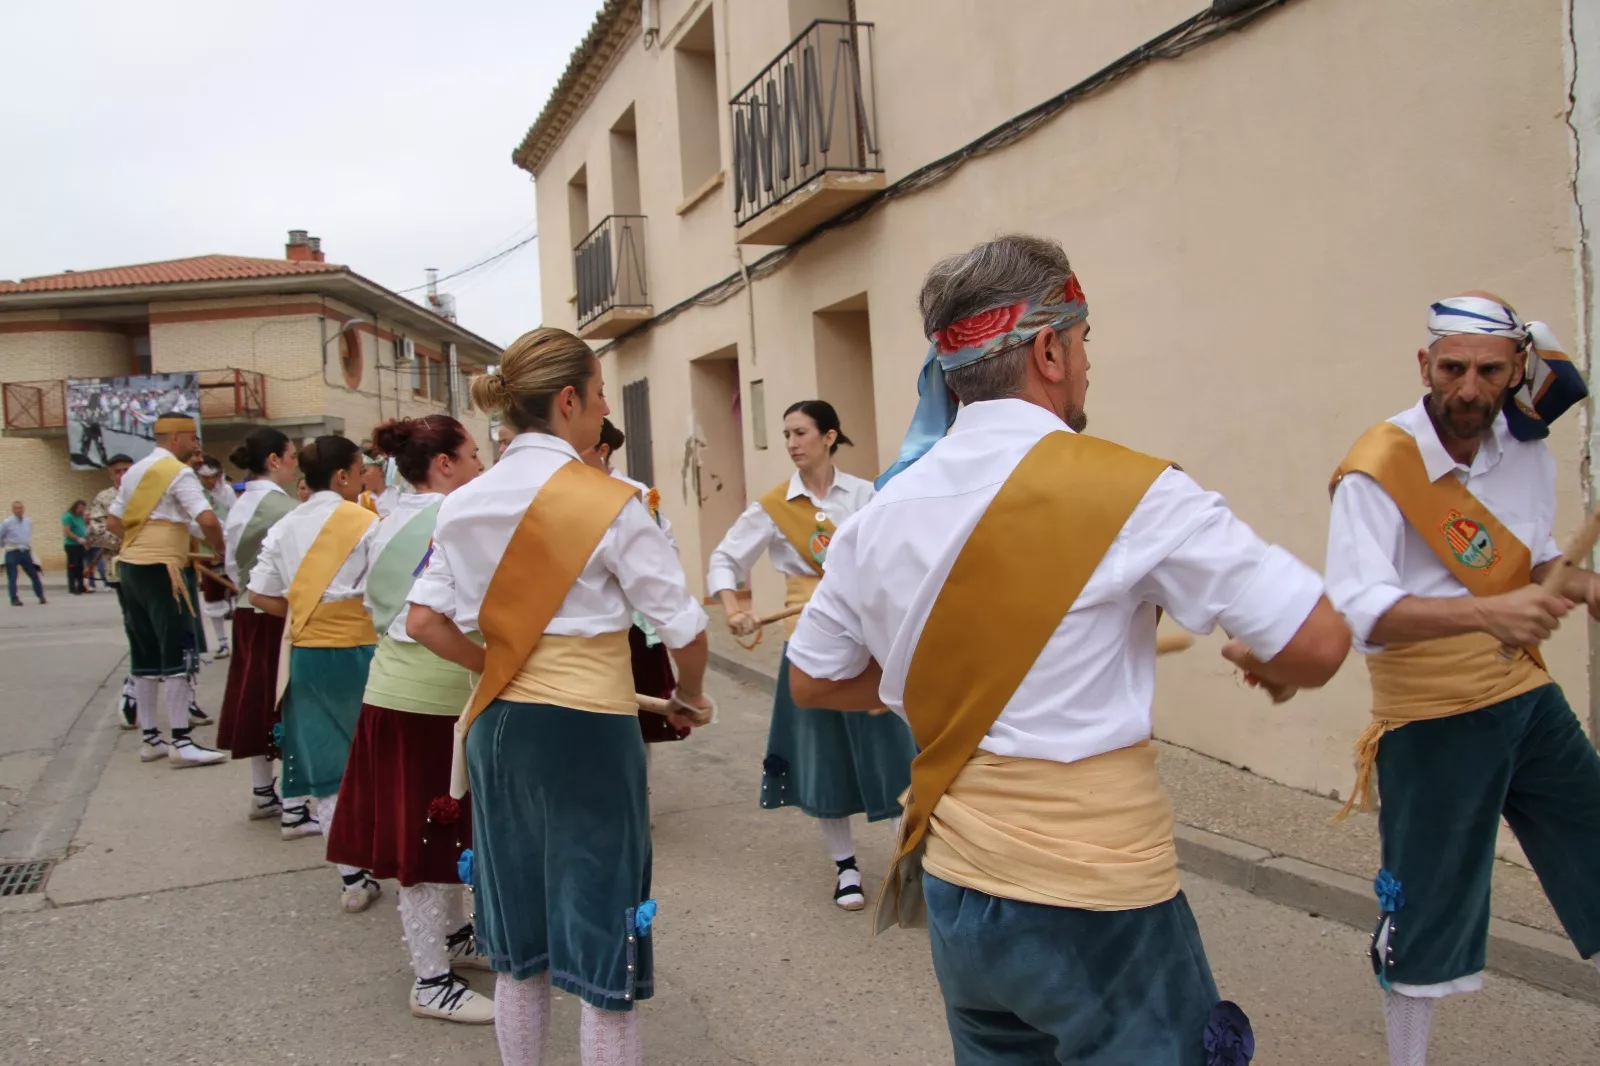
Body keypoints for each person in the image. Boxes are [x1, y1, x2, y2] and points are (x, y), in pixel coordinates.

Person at [786, 235, 1351, 1065]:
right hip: (1099, 901)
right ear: (1049, 349)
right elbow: (1318, 640)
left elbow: (811, 679)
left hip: (960, 893)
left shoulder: (879, 519)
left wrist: (936, 686)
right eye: (1084, 343)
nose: (1087, 364)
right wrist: (1278, 667)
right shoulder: (1132, 490)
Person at [405, 327, 715, 1066]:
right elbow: (684, 630)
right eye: (602, 393)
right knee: (604, 952)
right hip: (587, 734)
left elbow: (423, 620)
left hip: (499, 727)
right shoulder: (614, 502)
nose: (604, 406)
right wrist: (690, 699)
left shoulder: (462, 504)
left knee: (519, 946)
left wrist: (500, 666)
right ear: (570, 399)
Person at [1324, 292, 1600, 1066]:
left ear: (1515, 370)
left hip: (1522, 693)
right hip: (1433, 714)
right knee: (1428, 918)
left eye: (1487, 371)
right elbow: (1361, 609)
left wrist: (1578, 585)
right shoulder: (1379, 468)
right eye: (1452, 369)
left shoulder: (1525, 450)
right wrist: (1489, 616)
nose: (1469, 389)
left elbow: (1537, 559)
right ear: (1425, 366)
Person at [707, 399, 915, 912]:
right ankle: (845, 868)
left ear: (829, 436)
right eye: (786, 435)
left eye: (801, 432)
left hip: (869, 643)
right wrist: (734, 607)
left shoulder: (868, 495)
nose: (792, 443)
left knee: (893, 753)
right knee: (824, 760)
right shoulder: (775, 507)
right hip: (809, 645)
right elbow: (726, 557)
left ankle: (905, 863)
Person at [326, 415, 494, 1024]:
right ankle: (430, 980)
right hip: (430, 697)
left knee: (440, 830)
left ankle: (454, 942)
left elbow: (363, 601)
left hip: (394, 690)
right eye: (474, 454)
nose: (482, 466)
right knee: (424, 838)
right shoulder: (457, 517)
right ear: (444, 464)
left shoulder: (382, 520)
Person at [247, 435, 383, 913]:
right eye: (360, 468)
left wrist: (306, 610)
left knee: (328, 766)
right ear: (342, 476)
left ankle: (352, 877)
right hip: (361, 651)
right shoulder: (366, 522)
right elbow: (387, 590)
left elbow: (258, 594)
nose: (365, 475)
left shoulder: (285, 526)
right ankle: (385, 853)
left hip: (305, 651)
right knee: (376, 756)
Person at [105, 414, 227, 767]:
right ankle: (180, 740)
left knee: (143, 653)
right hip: (162, 571)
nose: (197, 445)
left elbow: (115, 523)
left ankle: (150, 739)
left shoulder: (136, 471)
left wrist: (147, 542)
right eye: (192, 438)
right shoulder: (177, 472)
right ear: (175, 438)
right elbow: (206, 519)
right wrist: (218, 549)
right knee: (175, 649)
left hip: (130, 568)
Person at [215, 428, 315, 836]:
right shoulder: (285, 510)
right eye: (292, 457)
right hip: (276, 612)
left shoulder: (238, 505)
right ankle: (294, 807)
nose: (295, 465)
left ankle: (263, 792)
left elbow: (228, 567)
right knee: (287, 701)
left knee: (258, 700)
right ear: (274, 460)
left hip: (245, 611)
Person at [579, 419, 697, 751]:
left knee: (635, 719)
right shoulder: (565, 489)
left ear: (603, 451)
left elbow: (664, 552)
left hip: (631, 620)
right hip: (587, 623)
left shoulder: (637, 494)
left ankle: (638, 791)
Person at [192, 455, 238, 658]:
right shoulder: (195, 495)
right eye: (204, 477)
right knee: (213, 598)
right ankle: (222, 643)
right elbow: (193, 524)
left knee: (239, 595)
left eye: (212, 476)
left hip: (231, 551)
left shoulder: (227, 492)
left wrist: (226, 543)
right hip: (207, 551)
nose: (209, 481)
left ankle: (239, 642)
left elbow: (236, 518)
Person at [87, 454, 133, 593]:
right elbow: (97, 532)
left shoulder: (148, 493)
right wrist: (129, 540)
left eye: (126, 470)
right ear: (111, 475)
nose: (122, 475)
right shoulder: (104, 498)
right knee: (130, 611)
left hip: (151, 563)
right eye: (117, 472)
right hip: (119, 564)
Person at [2, 502, 46, 606]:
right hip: (12, 551)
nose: (19, 510)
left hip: (24, 551)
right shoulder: (7, 522)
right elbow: (1, 535)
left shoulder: (28, 521)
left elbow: (27, 534)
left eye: (21, 508)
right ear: (13, 510)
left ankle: (40, 595)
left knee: (34, 574)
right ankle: (14, 598)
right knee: (13, 576)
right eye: (17, 508)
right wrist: (4, 545)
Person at [62, 501, 90, 595]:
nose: (82, 511)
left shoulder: (80, 517)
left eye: (83, 508)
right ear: (75, 507)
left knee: (80, 566)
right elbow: (67, 531)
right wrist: (78, 539)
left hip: (80, 545)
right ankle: (72, 587)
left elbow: (82, 530)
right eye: (80, 508)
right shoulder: (68, 516)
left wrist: (85, 543)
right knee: (72, 566)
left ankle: (81, 586)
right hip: (72, 545)